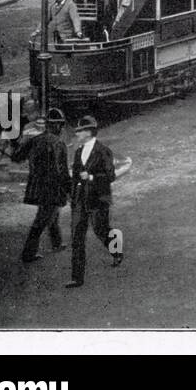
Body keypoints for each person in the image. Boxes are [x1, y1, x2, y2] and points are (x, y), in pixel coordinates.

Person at [67, 115, 120, 287]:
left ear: (89, 132)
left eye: (80, 131)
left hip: (98, 198)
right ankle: (77, 277)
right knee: (77, 237)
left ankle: (117, 250)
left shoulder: (103, 151)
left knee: (100, 230)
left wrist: (90, 176)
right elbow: (75, 176)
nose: (77, 134)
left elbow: (110, 176)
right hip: (80, 200)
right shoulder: (78, 152)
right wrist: (72, 194)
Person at [13, 107, 71, 263]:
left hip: (37, 187)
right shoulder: (59, 144)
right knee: (43, 219)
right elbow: (63, 172)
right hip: (52, 187)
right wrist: (70, 191)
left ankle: (57, 243)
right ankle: (28, 254)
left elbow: (16, 157)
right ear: (56, 125)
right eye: (60, 125)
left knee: (51, 214)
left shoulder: (35, 140)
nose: (61, 128)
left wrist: (15, 143)